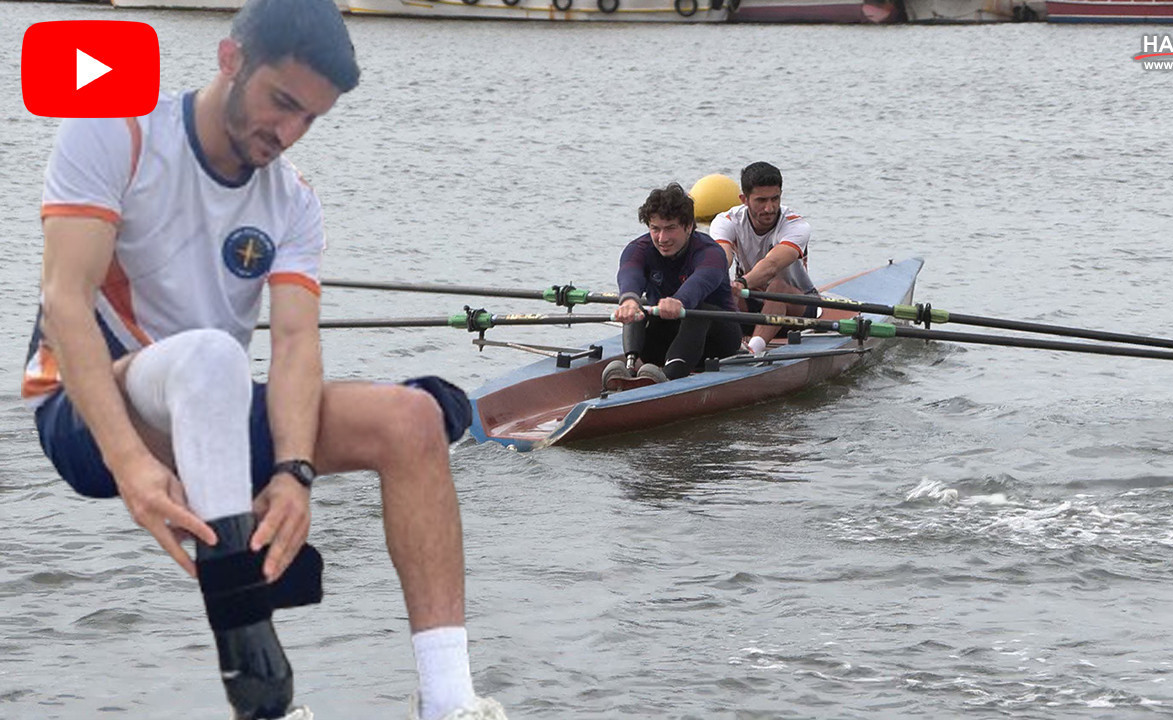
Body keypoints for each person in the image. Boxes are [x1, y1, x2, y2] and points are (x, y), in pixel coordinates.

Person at [22, 1, 505, 718]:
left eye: (310, 118)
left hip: (209, 405)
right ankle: (261, 692)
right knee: (213, 357)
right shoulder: (115, 129)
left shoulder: (293, 204)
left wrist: (294, 472)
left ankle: (449, 700)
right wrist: (129, 463)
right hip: (89, 414)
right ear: (229, 60)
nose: (288, 132)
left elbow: (294, 347)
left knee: (413, 418)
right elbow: (66, 301)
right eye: (281, 102)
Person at [601, 183, 742, 390]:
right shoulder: (638, 249)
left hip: (717, 341)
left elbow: (700, 282)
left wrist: (679, 301)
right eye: (655, 229)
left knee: (696, 311)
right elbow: (630, 274)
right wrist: (629, 300)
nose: (662, 238)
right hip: (665, 337)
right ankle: (631, 366)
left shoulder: (710, 252)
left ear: (688, 227)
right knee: (637, 306)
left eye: (670, 229)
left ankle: (669, 378)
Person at [709, 162, 819, 355]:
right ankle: (716, 348)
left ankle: (753, 350)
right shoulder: (726, 221)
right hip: (750, 299)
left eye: (774, 199)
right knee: (722, 292)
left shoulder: (796, 225)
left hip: (798, 306)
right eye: (761, 200)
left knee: (776, 286)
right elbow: (721, 258)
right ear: (744, 199)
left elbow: (772, 265)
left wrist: (742, 283)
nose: (769, 208)